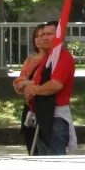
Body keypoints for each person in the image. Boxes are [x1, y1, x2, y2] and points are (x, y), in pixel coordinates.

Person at [15, 21, 77, 154]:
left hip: (55, 118)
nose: (44, 37)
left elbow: (55, 85)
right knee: (41, 161)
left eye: (49, 34)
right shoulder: (47, 58)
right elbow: (28, 83)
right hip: (41, 115)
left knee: (55, 164)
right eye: (42, 34)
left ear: (59, 36)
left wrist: (33, 90)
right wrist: (32, 88)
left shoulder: (63, 57)